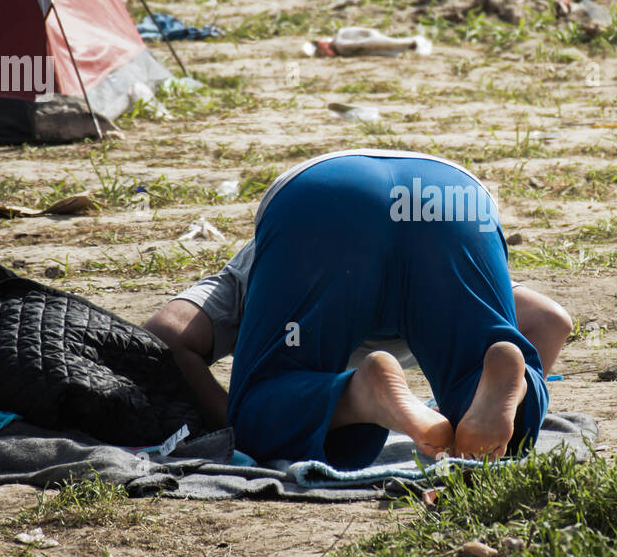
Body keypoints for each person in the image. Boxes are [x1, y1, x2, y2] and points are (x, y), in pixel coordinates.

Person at [145, 149, 572, 467]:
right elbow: (551, 321)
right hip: (449, 196)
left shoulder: (254, 267)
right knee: (501, 422)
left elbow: (165, 334)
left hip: (320, 200)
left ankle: (360, 394)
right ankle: (500, 390)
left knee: (265, 411)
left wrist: (233, 422)